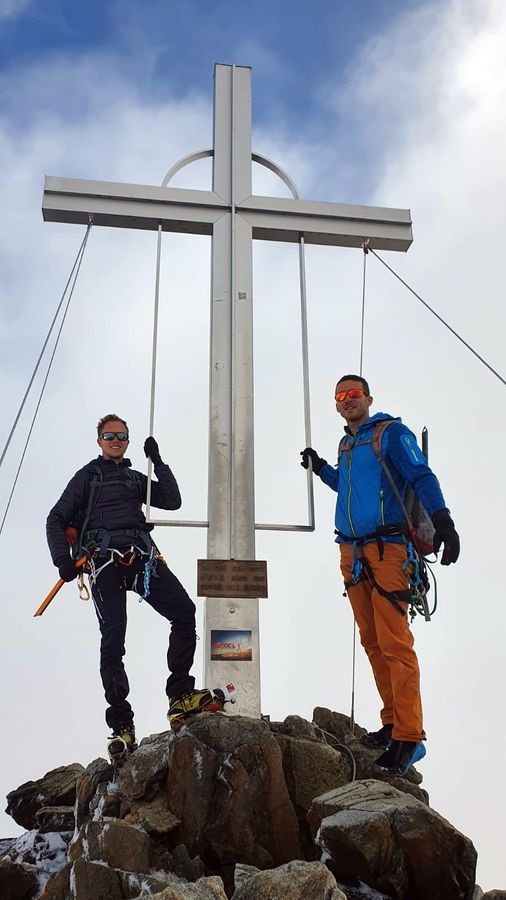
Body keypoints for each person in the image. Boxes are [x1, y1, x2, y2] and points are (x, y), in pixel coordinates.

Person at [301, 375, 460, 774]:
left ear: (368, 398)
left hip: (388, 550)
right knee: (373, 642)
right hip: (352, 552)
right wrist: (322, 469)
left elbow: (421, 476)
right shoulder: (347, 445)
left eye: (354, 393)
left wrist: (443, 520)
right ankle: (392, 723)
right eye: (340, 396)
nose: (347, 399)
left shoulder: (389, 434)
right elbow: (349, 487)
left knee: (395, 643)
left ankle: (409, 737)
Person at [46, 414, 212, 758]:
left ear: (127, 441)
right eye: (109, 436)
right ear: (99, 441)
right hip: (104, 561)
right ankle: (122, 724)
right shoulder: (87, 477)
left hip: (141, 559)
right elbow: (56, 518)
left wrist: (158, 461)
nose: (116, 441)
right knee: (113, 641)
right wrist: (62, 560)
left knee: (184, 612)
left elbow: (172, 499)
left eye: (121, 436)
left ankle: (180, 694)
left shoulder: (135, 479)